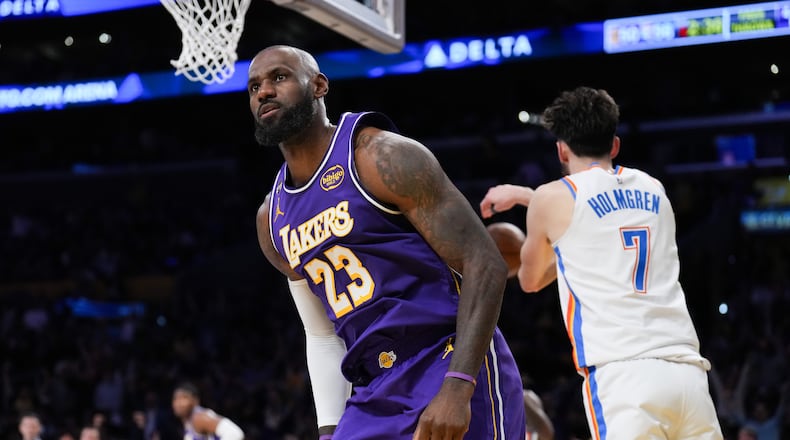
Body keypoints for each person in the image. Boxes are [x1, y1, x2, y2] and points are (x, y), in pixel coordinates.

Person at [250, 44, 526, 439]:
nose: (264, 92)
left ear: (318, 86)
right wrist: (330, 430)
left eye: (279, 77)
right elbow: (322, 334)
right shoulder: (271, 219)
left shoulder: (379, 156)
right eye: (254, 86)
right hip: (374, 389)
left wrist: (458, 385)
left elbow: (485, 262)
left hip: (446, 360)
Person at [479, 86, 723, 439]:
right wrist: (527, 197)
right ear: (615, 145)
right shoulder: (654, 189)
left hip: (624, 379)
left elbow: (531, 280)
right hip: (688, 373)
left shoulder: (550, 198)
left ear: (561, 150)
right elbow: (601, 227)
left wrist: (528, 201)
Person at [171, 382, 244, 440]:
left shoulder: (200, 417)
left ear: (195, 401)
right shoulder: (188, 422)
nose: (178, 403)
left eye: (184, 398)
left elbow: (235, 433)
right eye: (176, 398)